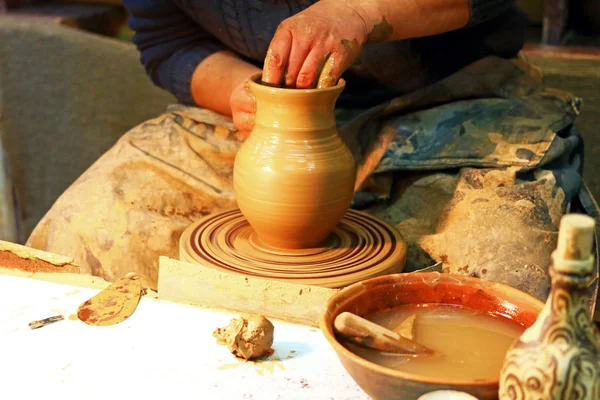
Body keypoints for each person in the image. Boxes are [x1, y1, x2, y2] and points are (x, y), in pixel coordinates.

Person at [26, 0, 590, 302]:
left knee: (501, 276)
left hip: (454, 96)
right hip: (262, 114)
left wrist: (362, 11)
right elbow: (168, 42)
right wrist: (244, 96)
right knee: (83, 237)